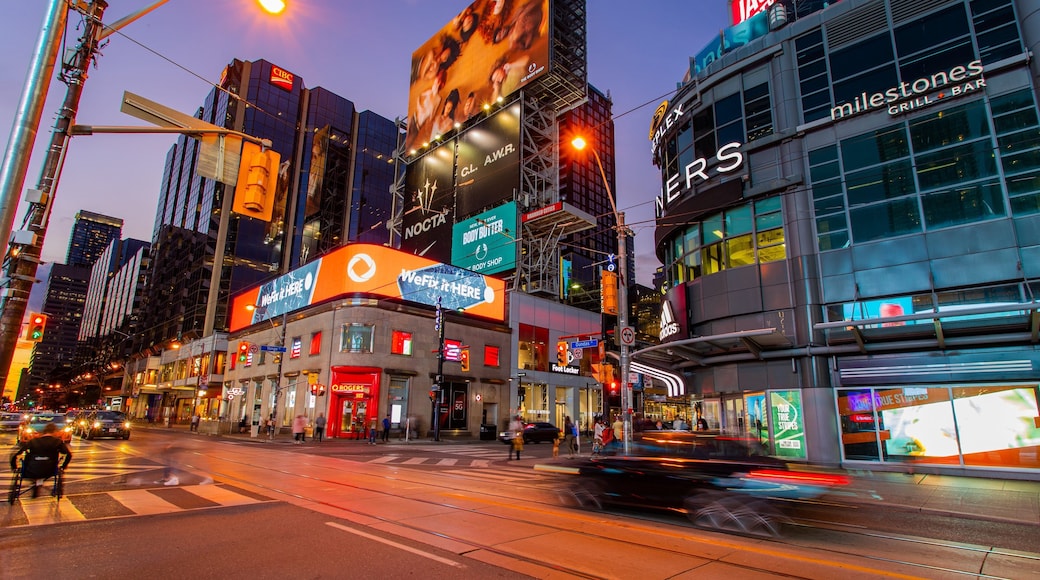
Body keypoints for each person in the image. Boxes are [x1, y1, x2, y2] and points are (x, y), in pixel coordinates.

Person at [10, 422, 73, 498]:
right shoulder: (57, 442)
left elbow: (16, 454)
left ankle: (35, 484)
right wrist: (63, 466)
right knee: (57, 471)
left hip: (30, 469)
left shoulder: (33, 441)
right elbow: (68, 454)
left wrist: (14, 466)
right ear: (55, 432)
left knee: (33, 466)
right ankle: (56, 490)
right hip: (50, 470)